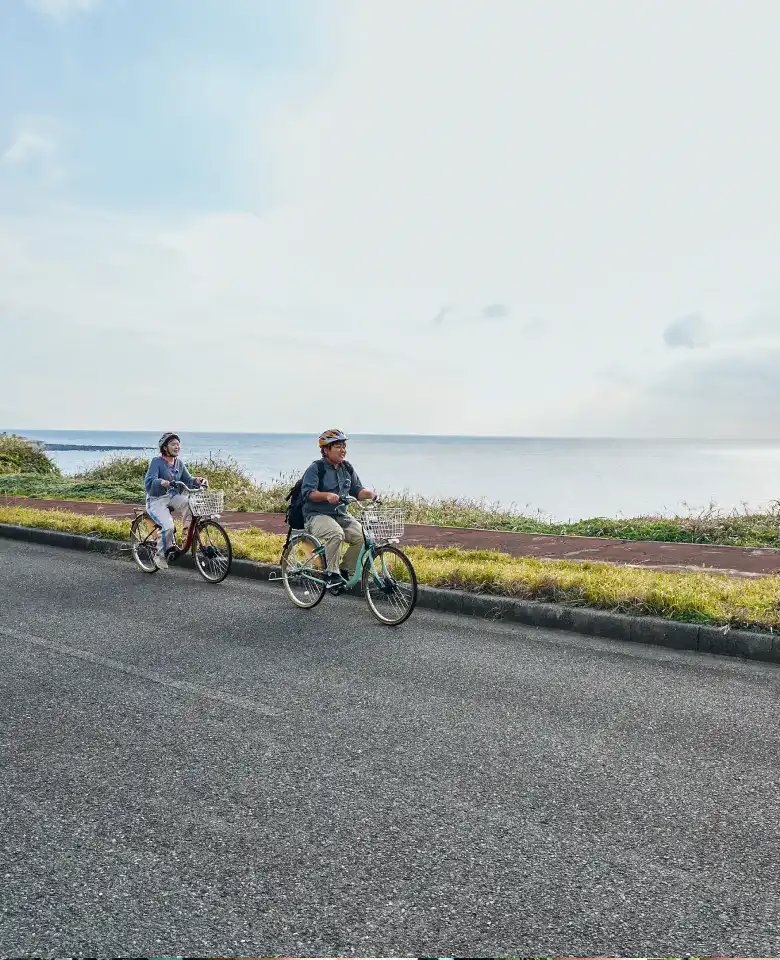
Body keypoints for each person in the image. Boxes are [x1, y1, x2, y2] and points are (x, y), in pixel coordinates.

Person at [302, 429, 376, 582]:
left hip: (340, 514)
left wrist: (370, 494)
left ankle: (344, 570)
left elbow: (357, 490)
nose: (343, 450)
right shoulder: (316, 468)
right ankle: (331, 573)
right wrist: (326, 495)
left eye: (344, 446)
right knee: (336, 533)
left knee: (363, 538)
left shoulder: (347, 468)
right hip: (316, 515)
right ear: (326, 450)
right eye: (338, 446)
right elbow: (308, 493)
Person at [144, 432, 207, 570]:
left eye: (178, 444)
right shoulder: (156, 462)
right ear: (165, 447)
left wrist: (197, 480)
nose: (177, 446)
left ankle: (187, 538)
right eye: (173, 444)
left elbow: (188, 480)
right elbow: (149, 481)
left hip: (172, 497)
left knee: (189, 503)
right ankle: (159, 555)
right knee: (168, 527)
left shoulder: (179, 463)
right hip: (156, 499)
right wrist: (162, 482)